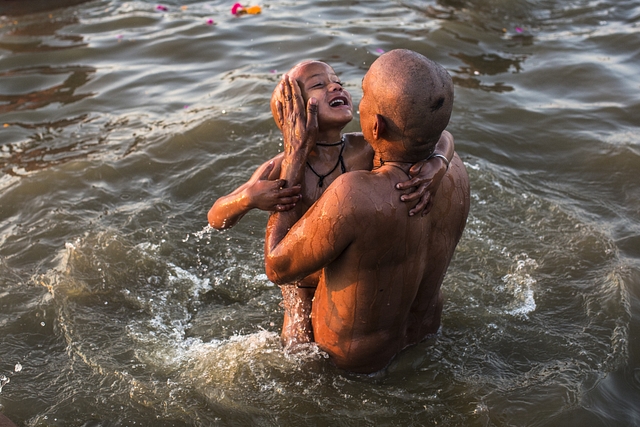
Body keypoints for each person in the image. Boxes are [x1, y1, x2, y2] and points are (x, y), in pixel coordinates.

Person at [208, 60, 455, 348]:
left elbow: (440, 135)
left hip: (346, 279)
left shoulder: (364, 148)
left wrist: (439, 163)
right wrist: (248, 198)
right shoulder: (278, 168)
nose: (335, 86)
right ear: (291, 113)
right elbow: (216, 217)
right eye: (318, 85)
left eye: (336, 81)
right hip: (300, 286)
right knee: (297, 349)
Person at [264, 49, 470, 373]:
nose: (355, 101)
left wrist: (293, 159)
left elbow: (277, 268)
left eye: (364, 97)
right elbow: (443, 137)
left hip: (351, 364)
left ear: (375, 127)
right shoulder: (452, 169)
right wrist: (441, 158)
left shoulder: (353, 195)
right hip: (426, 333)